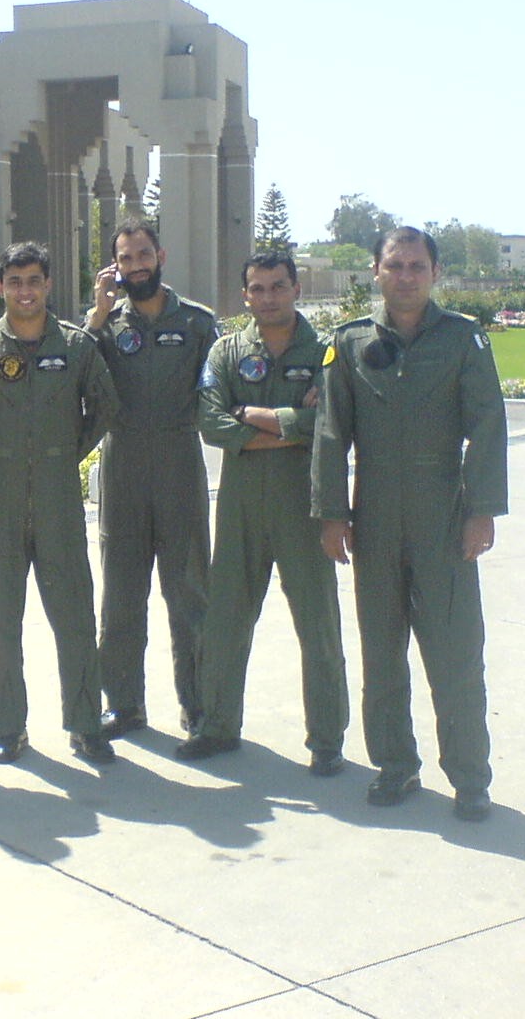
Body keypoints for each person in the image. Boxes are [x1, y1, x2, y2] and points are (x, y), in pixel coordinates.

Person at [312, 226, 508, 821]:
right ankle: (395, 765)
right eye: (394, 265)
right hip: (373, 519)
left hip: (442, 516)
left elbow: (488, 426)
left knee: (454, 650)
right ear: (375, 271)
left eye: (416, 265)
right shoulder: (347, 344)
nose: (406, 275)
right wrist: (331, 514)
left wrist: (482, 511)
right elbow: (330, 432)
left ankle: (470, 777)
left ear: (434, 273)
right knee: (381, 649)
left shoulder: (462, 340)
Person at [0, 242, 118, 765]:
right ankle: (8, 727)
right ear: (1, 287)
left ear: (48, 285)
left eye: (35, 280)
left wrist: (60, 454)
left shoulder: (77, 347)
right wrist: (3, 456)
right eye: (15, 280)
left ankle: (85, 723)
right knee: (0, 620)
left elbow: (102, 407)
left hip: (57, 494)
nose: (25, 290)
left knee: (73, 615)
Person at [181, 252, 349, 774]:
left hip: (306, 505)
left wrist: (257, 417)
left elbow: (336, 421)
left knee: (318, 625)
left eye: (278, 286)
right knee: (226, 619)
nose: (269, 297)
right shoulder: (226, 352)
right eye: (258, 288)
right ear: (245, 296)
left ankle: (326, 741)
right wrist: (292, 428)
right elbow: (211, 423)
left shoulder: (326, 353)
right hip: (240, 507)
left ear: (297, 289)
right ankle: (217, 727)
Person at [86, 220, 218, 737]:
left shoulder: (197, 322)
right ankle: (123, 703)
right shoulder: (105, 324)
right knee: (121, 590)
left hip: (179, 457)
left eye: (143, 254)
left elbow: (224, 379)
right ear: (114, 267)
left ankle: (200, 702)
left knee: (189, 590)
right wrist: (98, 314)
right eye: (126, 258)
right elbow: (76, 368)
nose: (136, 264)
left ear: (160, 255)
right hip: (123, 459)